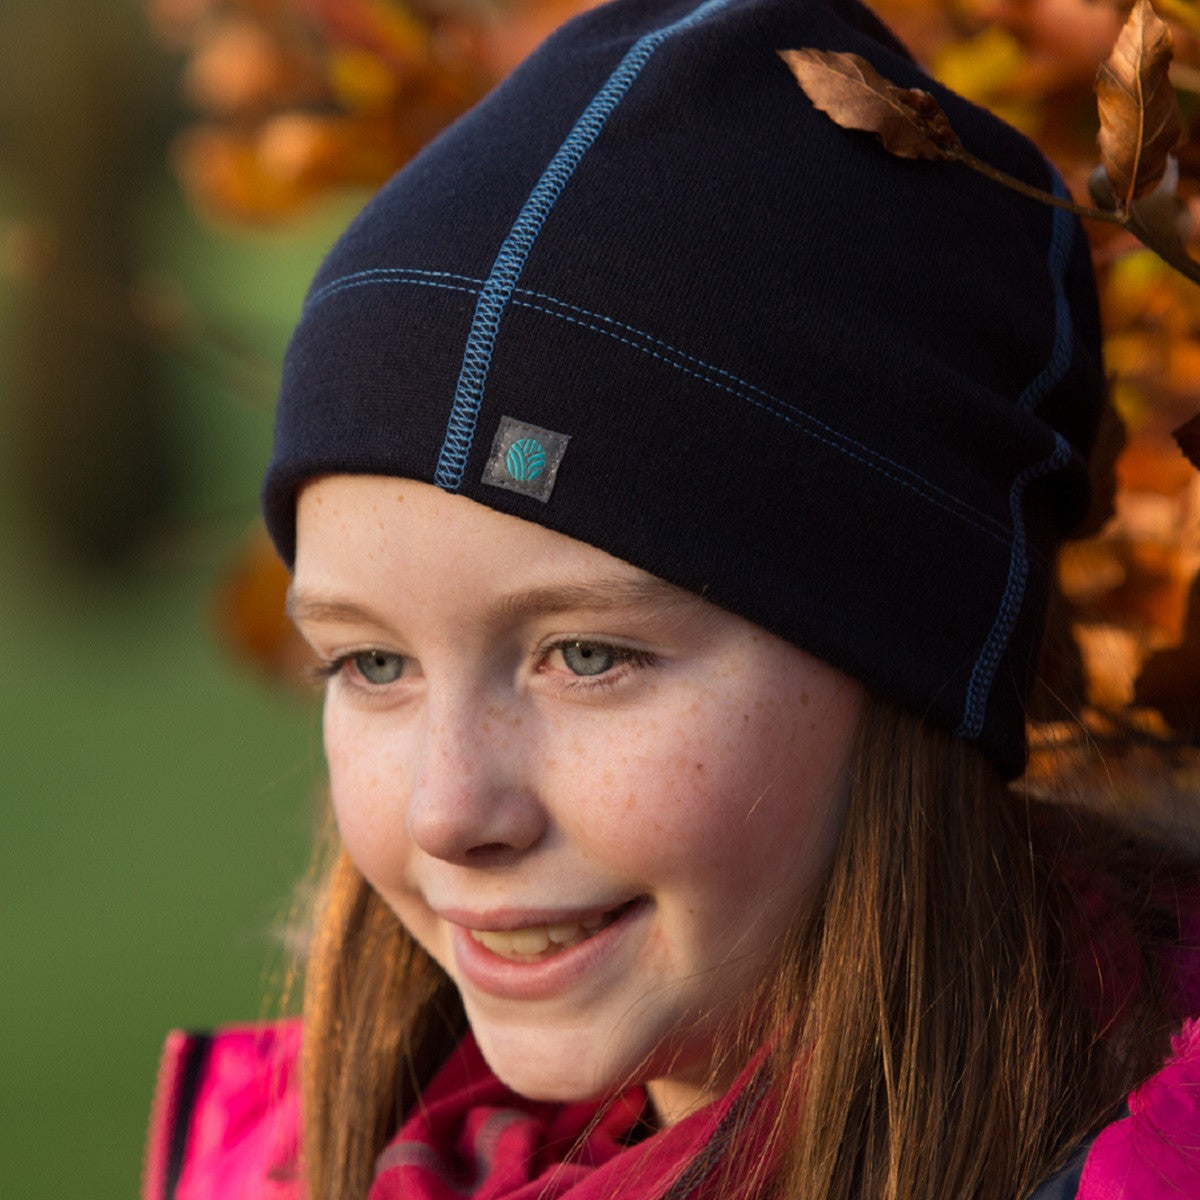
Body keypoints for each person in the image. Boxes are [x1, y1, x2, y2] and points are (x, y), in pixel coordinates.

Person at [142, 0, 1200, 1197]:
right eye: (371, 664)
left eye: (588, 654)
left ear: (910, 665)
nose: (448, 812)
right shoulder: (309, 1162)